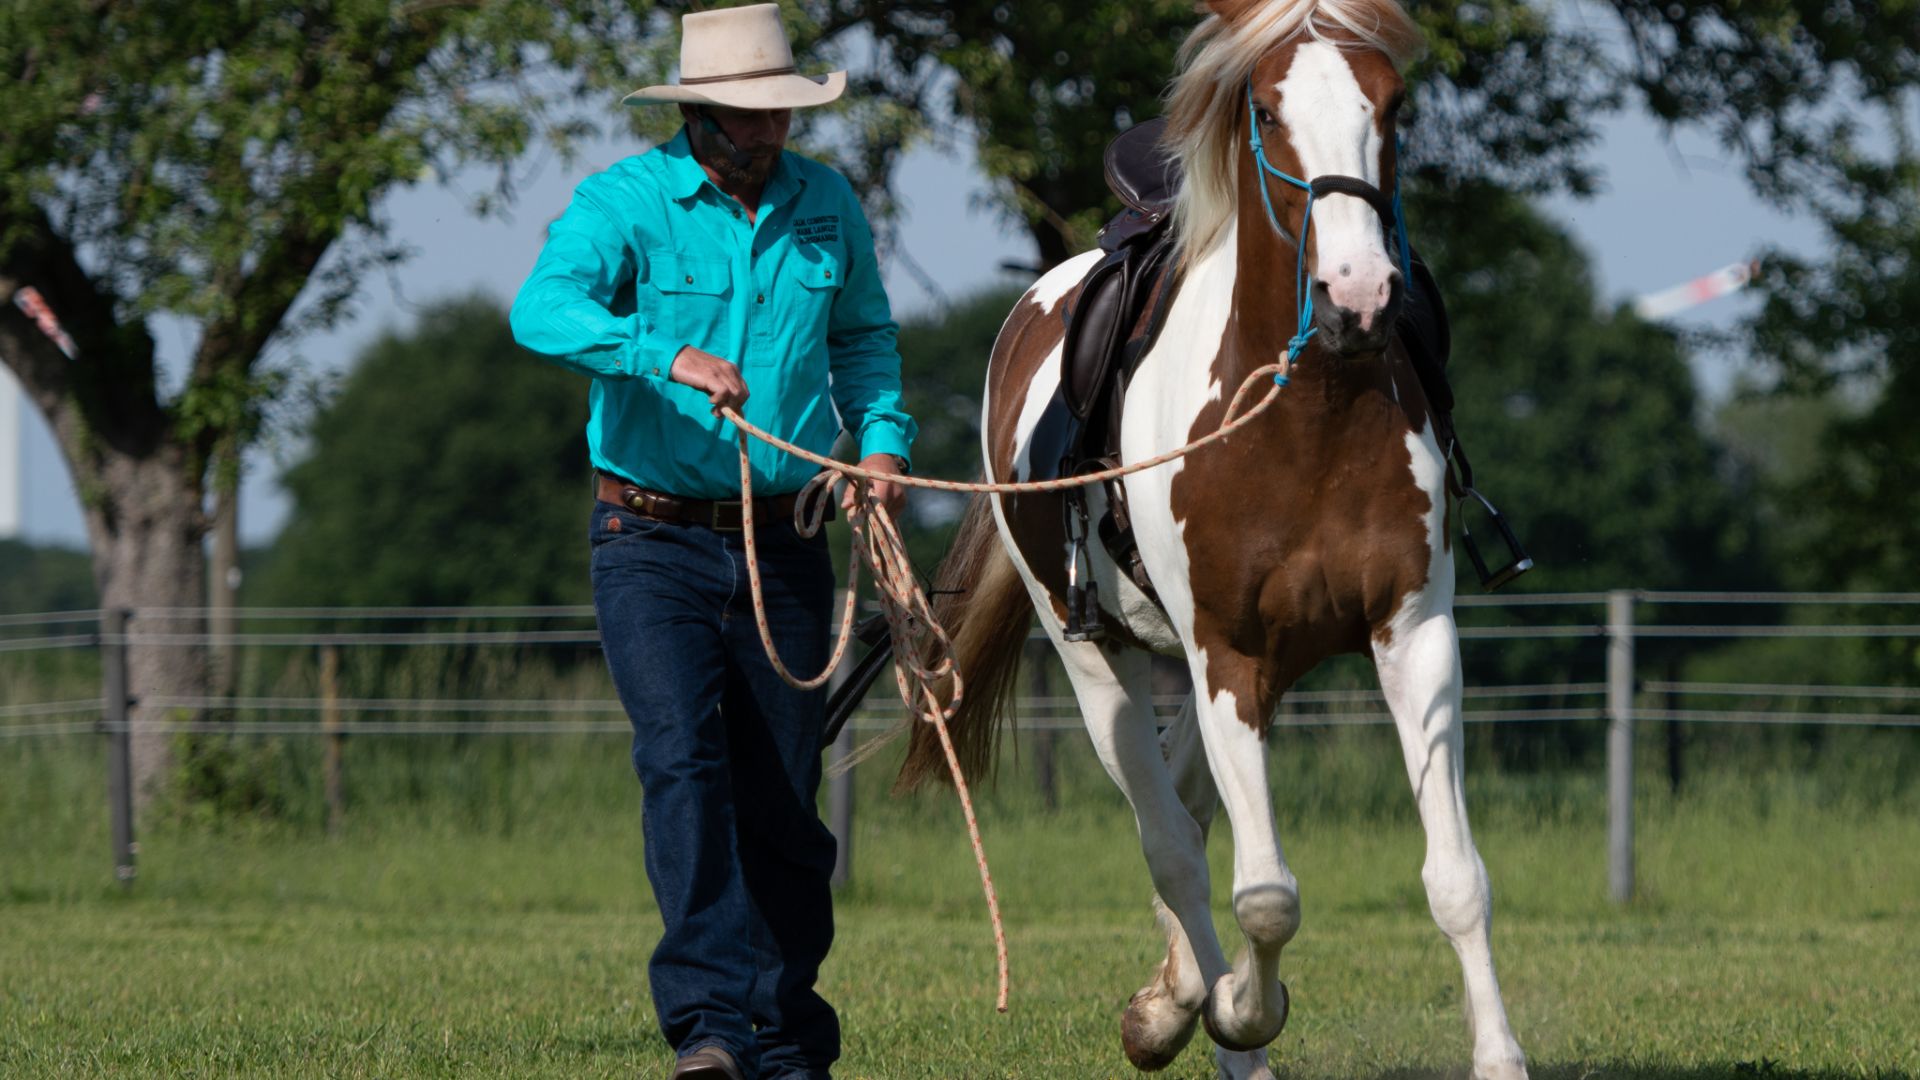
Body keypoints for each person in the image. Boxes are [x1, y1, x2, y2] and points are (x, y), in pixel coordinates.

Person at [509, 6, 916, 1078]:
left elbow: (865, 339)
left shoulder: (827, 206)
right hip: (649, 539)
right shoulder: (624, 204)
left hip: (786, 539)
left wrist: (878, 447)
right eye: (751, 115)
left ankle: (785, 1036)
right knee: (682, 764)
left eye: (782, 113)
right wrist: (660, 352)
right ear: (699, 112)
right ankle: (708, 1027)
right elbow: (540, 310)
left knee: (784, 795)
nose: (773, 132)